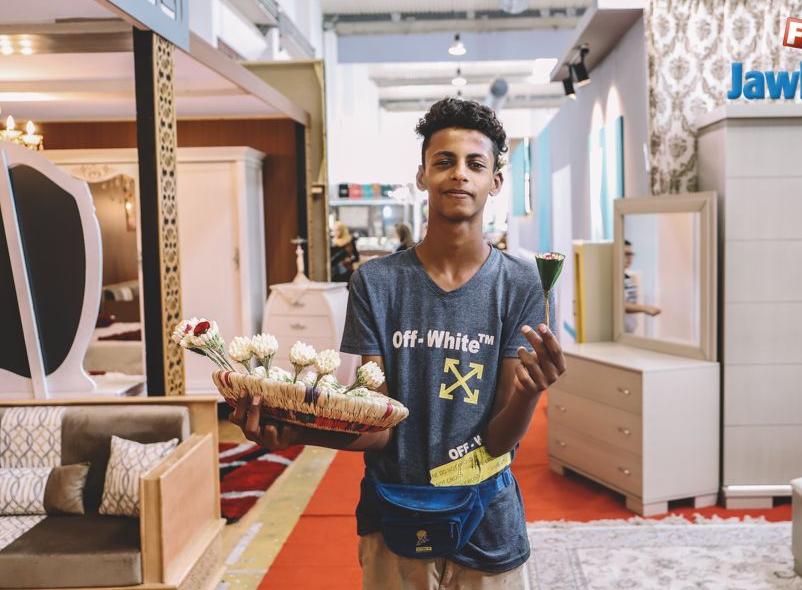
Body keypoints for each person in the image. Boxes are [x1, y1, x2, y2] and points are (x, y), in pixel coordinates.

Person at [230, 97, 566, 589]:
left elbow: (498, 441)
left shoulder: (521, 283)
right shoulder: (377, 283)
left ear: (495, 181)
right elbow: (381, 427)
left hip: (488, 523)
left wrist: (531, 392)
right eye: (444, 161)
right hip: (393, 518)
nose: (459, 173)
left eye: (475, 164)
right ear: (422, 175)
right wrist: (299, 432)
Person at [623, 239, 661, 333]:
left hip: (629, 330)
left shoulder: (628, 278)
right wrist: (645, 308)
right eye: (626, 254)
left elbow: (629, 303)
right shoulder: (614, 279)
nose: (629, 258)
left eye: (631, 254)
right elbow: (618, 305)